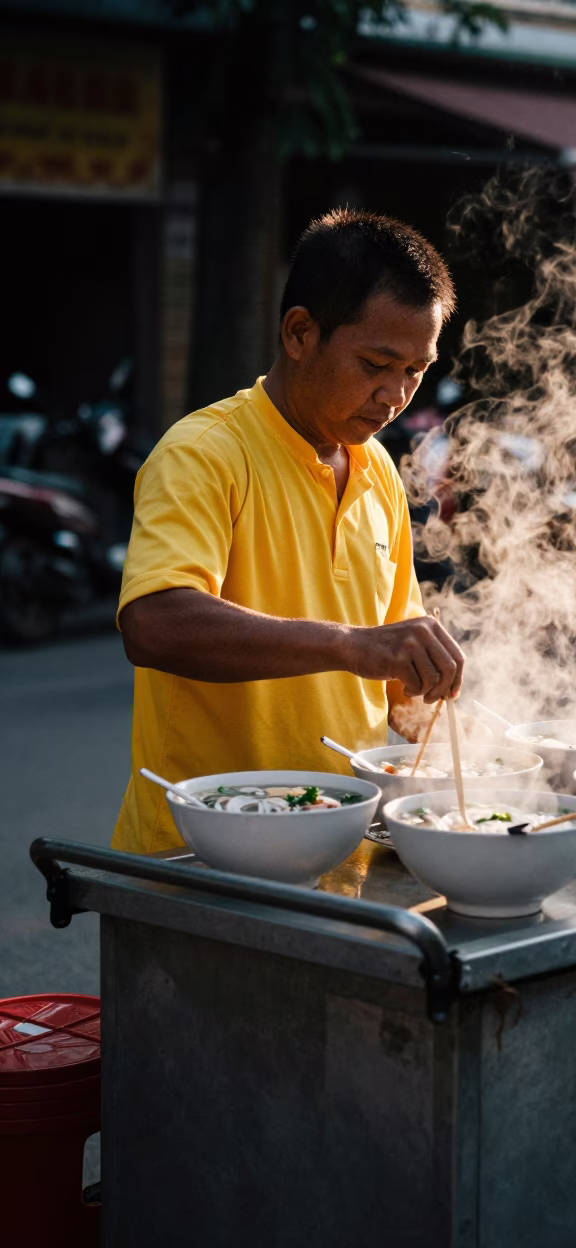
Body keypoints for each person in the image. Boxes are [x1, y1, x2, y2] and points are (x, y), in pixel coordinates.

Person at [114, 210, 465, 855]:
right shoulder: (203, 454)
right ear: (300, 332)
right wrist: (349, 646)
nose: (395, 395)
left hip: (338, 836)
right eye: (375, 363)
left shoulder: (377, 468)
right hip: (202, 849)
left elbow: (396, 671)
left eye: (416, 371)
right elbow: (153, 623)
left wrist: (458, 734)